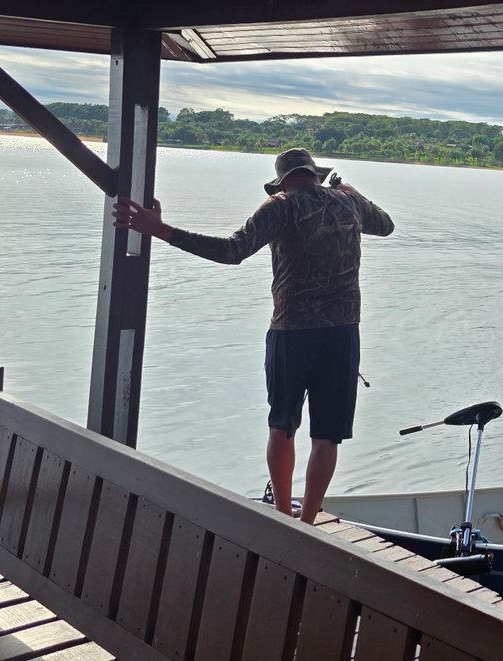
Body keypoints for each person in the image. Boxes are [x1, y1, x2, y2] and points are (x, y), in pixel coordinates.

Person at [111, 148, 394, 524]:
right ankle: (308, 521)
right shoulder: (350, 203)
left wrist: (160, 230)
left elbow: (232, 251)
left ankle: (283, 515)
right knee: (327, 436)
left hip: (292, 333)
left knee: (282, 426)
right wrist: (354, 193)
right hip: (342, 334)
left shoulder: (281, 206)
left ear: (284, 181)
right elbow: (386, 225)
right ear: (316, 175)